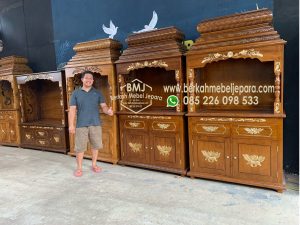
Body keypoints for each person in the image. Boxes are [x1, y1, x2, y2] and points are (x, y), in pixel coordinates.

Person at [68, 71, 113, 177]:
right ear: (82, 80)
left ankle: (94, 165)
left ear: (93, 81)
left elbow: (104, 107)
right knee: (80, 148)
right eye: (87, 78)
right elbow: (72, 110)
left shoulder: (97, 93)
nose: (89, 80)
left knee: (95, 146)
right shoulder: (75, 93)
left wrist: (108, 111)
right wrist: (71, 125)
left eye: (91, 79)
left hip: (95, 124)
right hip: (81, 125)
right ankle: (79, 168)